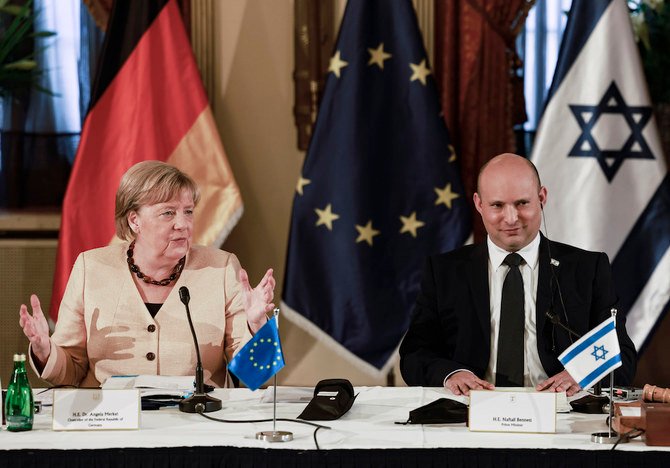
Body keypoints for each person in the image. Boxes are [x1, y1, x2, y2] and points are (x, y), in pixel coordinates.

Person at [18, 161, 276, 388]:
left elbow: (254, 375)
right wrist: (45, 351)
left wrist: (257, 326)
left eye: (188, 211)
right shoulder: (91, 267)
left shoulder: (221, 268)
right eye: (168, 212)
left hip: (196, 421)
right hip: (110, 422)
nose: (183, 224)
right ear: (134, 221)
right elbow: (70, 371)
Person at [399, 153, 636, 396]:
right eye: (497, 205)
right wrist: (453, 374)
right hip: (470, 410)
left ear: (542, 198)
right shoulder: (445, 271)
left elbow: (623, 355)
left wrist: (581, 372)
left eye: (522, 203)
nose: (511, 218)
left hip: (561, 410)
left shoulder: (588, 269)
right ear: (479, 204)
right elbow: (414, 354)